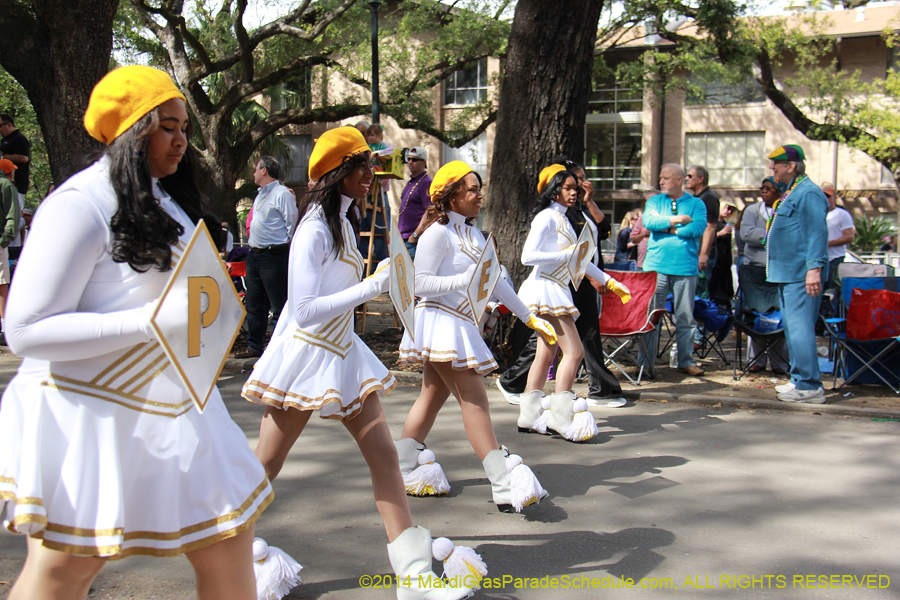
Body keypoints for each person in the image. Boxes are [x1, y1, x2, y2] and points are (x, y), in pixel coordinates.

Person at [0, 65, 271, 600]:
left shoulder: (163, 198)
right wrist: (147, 322)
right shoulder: (77, 204)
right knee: (65, 571)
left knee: (230, 536)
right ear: (131, 132)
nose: (181, 141)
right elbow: (25, 329)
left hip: (176, 405)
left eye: (184, 128)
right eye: (167, 127)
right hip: (88, 412)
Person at [241, 128, 473, 600]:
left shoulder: (344, 223)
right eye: (361, 165)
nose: (371, 174)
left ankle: (414, 576)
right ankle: (225, 553)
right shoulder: (312, 228)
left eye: (371, 165)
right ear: (337, 172)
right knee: (265, 463)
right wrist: (374, 285)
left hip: (343, 353)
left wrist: (385, 278)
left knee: (385, 456)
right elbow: (304, 309)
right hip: (305, 356)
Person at [394, 160, 556, 508]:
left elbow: (495, 281)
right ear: (451, 195)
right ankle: (502, 482)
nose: (479, 196)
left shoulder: (474, 235)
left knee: (431, 398)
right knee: (475, 401)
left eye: (479, 189)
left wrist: (529, 318)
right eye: (472, 190)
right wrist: (462, 280)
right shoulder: (437, 233)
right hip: (440, 321)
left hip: (458, 323)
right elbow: (419, 283)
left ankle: (402, 466)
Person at [497, 159, 626, 407]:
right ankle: (560, 411)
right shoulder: (546, 217)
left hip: (556, 288)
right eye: (568, 188)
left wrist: (609, 281)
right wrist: (565, 255)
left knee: (546, 353)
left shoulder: (565, 219)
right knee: (574, 352)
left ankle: (530, 412)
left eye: (575, 188)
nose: (574, 192)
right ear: (555, 190)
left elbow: (580, 260)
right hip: (545, 288)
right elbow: (527, 257)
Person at [767, 144, 829, 404]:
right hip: (788, 273)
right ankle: (798, 379)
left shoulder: (809, 193)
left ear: (791, 166)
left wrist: (814, 268)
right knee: (793, 328)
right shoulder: (794, 191)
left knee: (801, 329)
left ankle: (810, 386)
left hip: (801, 273)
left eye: (776, 165)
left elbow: (816, 233)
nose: (772, 169)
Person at [638, 164, 708, 377]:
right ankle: (646, 363)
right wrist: (678, 220)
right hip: (656, 267)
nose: (661, 182)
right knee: (652, 317)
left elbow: (698, 228)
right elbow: (649, 222)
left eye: (666, 178)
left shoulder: (696, 204)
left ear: (679, 180)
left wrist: (667, 228)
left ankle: (685, 361)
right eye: (661, 177)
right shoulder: (654, 201)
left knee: (685, 317)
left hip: (685, 268)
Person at [234, 155, 298, 359]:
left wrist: (283, 248)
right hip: (255, 254)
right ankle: (254, 345)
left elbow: (292, 222)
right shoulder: (260, 195)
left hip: (273, 255)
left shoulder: (282, 193)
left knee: (278, 304)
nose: (253, 173)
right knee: (254, 303)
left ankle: (281, 348)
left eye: (256, 169)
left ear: (264, 170)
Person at [739, 176, 789, 374]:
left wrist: (763, 236)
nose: (764, 191)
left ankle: (779, 363)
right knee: (756, 313)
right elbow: (746, 234)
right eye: (762, 188)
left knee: (778, 314)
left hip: (779, 268)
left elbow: (790, 235)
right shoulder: (752, 210)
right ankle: (756, 360)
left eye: (769, 188)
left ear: (779, 191)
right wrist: (772, 237)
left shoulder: (786, 210)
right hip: (755, 269)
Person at [685, 165, 720, 299]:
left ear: (701, 179)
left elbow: (710, 227)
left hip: (701, 256)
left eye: (690, 176)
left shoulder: (708, 198)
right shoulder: (695, 198)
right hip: (692, 253)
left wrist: (703, 255)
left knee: (700, 296)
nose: (686, 179)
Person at [398, 146, 432, 259]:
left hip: (414, 241)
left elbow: (430, 211)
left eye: (415, 159)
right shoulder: (410, 182)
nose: (410, 162)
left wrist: (415, 235)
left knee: (412, 270)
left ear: (424, 163)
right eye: (409, 159)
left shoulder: (426, 182)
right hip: (403, 239)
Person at [0, 159, 20, 347]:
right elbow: (13, 216)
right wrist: (4, 241)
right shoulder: (6, 186)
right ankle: (4, 329)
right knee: (1, 284)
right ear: (9, 173)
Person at [821, 182, 855, 291]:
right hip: (818, 259)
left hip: (835, 259)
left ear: (834, 198)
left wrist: (828, 243)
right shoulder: (815, 214)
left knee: (832, 290)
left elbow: (849, 237)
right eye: (823, 196)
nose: (825, 199)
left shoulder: (842, 214)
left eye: (828, 196)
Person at [0, 114, 31, 207]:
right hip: (4, 183)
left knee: (14, 209)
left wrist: (3, 157)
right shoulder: (4, 140)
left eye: (0, 126)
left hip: (16, 183)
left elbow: (24, 158)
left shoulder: (19, 138)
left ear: (9, 125)